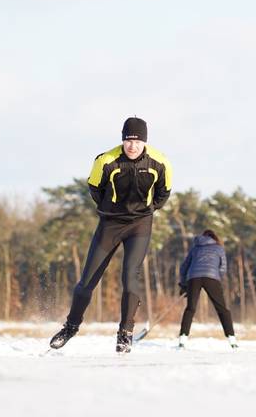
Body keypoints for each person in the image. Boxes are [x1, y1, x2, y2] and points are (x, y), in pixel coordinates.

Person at [49, 117, 172, 353]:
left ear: (144, 142)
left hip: (139, 225)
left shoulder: (160, 162)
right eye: (128, 140)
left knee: (130, 277)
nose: (132, 146)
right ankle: (71, 326)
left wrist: (146, 211)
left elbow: (163, 193)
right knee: (87, 281)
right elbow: (95, 188)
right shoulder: (106, 160)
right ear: (122, 140)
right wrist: (110, 209)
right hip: (110, 223)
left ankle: (125, 333)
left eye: (136, 141)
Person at [178, 230, 238, 349]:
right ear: (214, 237)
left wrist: (184, 284)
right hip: (211, 277)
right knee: (222, 309)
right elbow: (223, 267)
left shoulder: (195, 248)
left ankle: (182, 340)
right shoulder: (219, 248)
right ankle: (232, 340)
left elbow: (184, 267)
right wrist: (217, 277)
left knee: (190, 308)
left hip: (193, 277)